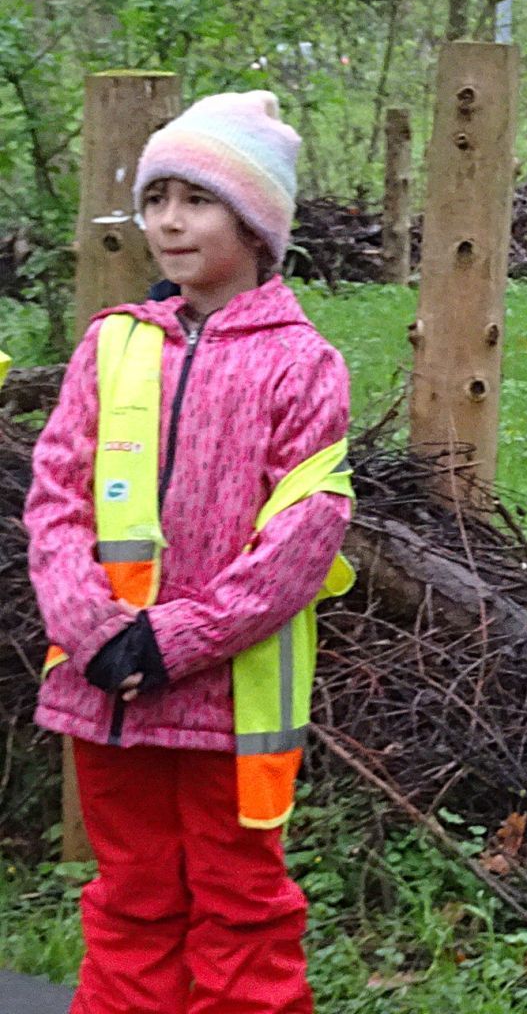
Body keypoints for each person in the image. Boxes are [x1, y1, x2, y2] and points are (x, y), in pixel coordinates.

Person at [26, 91, 352, 1014]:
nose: (169, 219)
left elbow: (303, 538)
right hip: (105, 691)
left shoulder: (304, 363)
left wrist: (170, 642)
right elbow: (56, 500)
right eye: (157, 196)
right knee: (128, 900)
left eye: (197, 199)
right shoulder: (111, 347)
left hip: (230, 701)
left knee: (242, 907)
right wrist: (95, 631)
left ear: (254, 224)